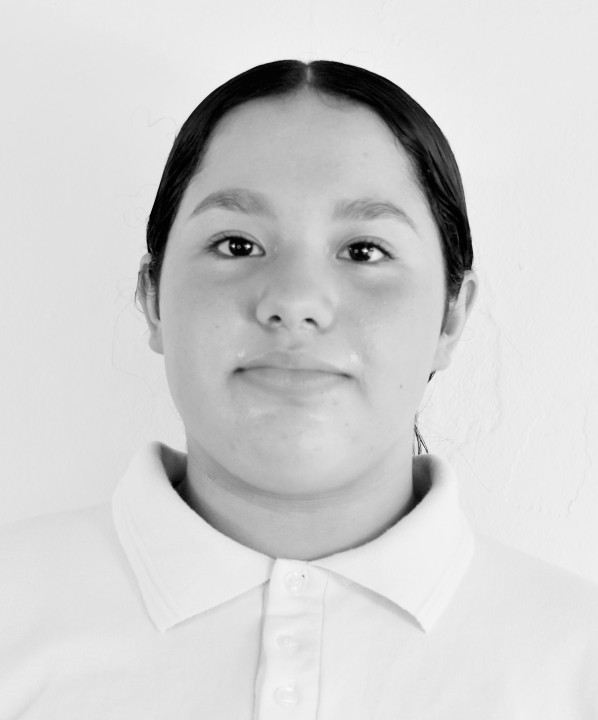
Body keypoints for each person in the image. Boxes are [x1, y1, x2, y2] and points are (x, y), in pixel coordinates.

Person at [1, 59, 597, 719]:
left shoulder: (577, 664)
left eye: (364, 251)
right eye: (237, 245)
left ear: (452, 315)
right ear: (153, 299)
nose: (294, 302)